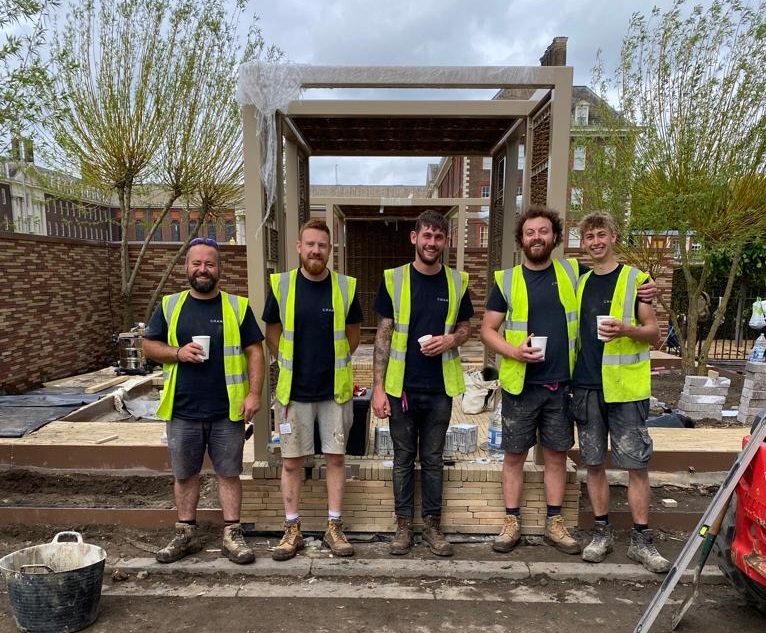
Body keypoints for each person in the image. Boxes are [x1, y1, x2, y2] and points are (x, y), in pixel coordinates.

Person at [143, 237, 265, 565]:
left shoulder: (237, 307)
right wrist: (177, 353)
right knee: (185, 474)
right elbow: (148, 346)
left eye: (209, 264)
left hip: (227, 410)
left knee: (229, 473)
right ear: (186, 267)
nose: (202, 269)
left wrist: (254, 394)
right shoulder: (170, 306)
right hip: (183, 408)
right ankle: (185, 533)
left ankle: (232, 534)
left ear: (219, 269)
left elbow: (256, 350)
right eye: (196, 263)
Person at [568, 211, 670, 573]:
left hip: (626, 389)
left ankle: (642, 540)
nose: (595, 242)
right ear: (584, 242)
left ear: (613, 236)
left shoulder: (636, 280)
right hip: (586, 386)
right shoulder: (578, 280)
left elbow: (653, 332)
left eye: (601, 235)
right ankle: (602, 533)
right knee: (593, 463)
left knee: (635, 466)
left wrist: (627, 329)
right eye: (589, 237)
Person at [480, 206, 583, 556]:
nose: (536, 237)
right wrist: (512, 351)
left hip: (561, 385)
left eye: (542, 231)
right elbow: (487, 330)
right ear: (521, 239)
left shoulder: (572, 271)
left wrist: (644, 288)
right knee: (514, 456)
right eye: (529, 233)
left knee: (556, 456)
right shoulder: (506, 280)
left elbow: (608, 280)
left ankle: (555, 522)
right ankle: (511, 522)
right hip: (521, 387)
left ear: (554, 236)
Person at [371, 210, 473, 557]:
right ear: (414, 238)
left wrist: (451, 341)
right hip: (402, 390)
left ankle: (432, 526)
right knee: (402, 459)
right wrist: (379, 389)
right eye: (426, 236)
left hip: (440, 389)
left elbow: (466, 328)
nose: (432, 243)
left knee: (432, 458)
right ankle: (403, 526)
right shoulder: (395, 279)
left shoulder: (457, 282)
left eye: (439, 237)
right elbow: (382, 336)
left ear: (445, 241)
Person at [262, 219, 363, 561]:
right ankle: (292, 530)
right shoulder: (283, 285)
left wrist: (333, 360)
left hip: (334, 391)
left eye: (323, 245)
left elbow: (353, 334)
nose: (316, 250)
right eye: (311, 244)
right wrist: (287, 358)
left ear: (330, 250)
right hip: (294, 392)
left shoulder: (345, 287)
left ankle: (334, 527)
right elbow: (272, 331)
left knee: (336, 458)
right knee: (292, 462)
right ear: (298, 247)